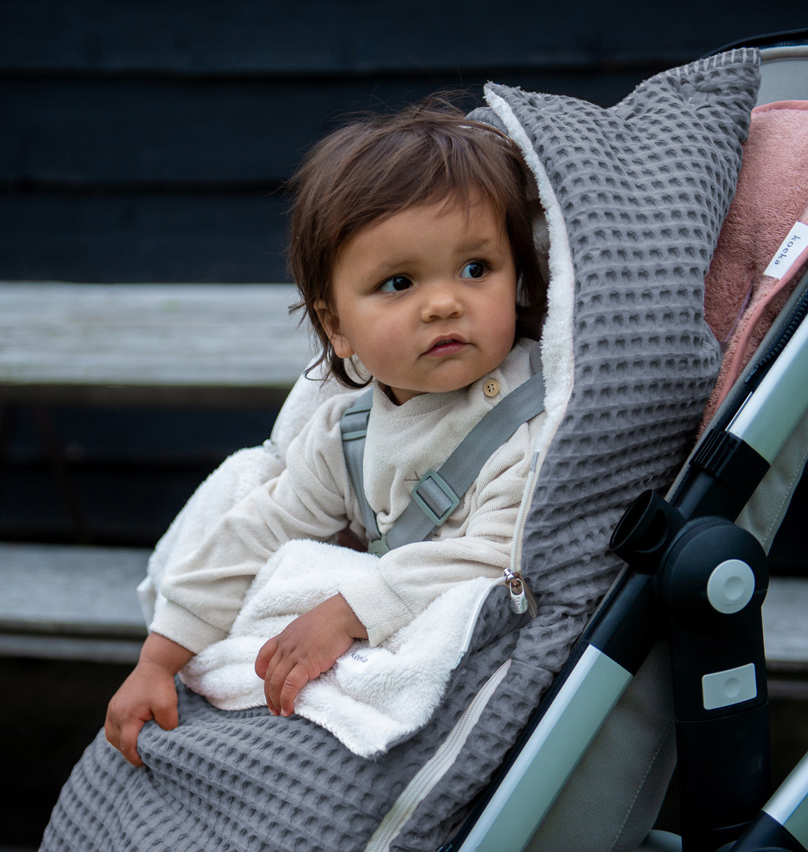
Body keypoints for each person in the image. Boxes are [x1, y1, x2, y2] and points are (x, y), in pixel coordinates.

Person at [105, 98, 550, 767]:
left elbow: (499, 555)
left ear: (517, 276)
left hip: (487, 679)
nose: (443, 302)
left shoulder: (530, 417)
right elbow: (258, 528)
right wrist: (160, 657)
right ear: (336, 327)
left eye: (475, 268)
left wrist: (348, 610)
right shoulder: (349, 431)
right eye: (398, 282)